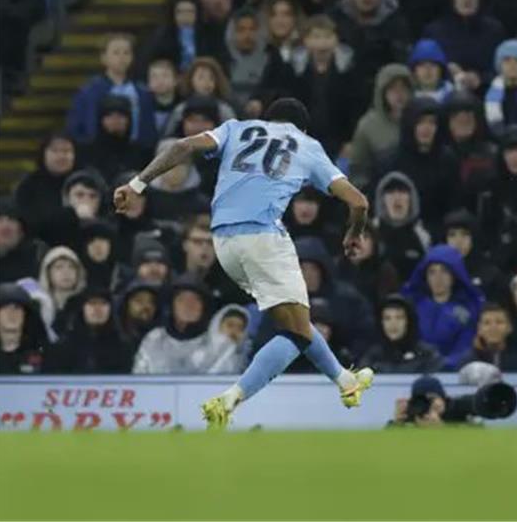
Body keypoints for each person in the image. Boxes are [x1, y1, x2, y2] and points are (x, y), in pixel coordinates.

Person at [112, 97, 374, 428]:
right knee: (298, 334)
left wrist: (136, 184)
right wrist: (354, 232)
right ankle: (230, 399)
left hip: (222, 241)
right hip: (263, 236)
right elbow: (359, 202)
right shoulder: (307, 144)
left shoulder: (236, 128)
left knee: (297, 323)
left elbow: (183, 145)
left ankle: (346, 382)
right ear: (300, 127)